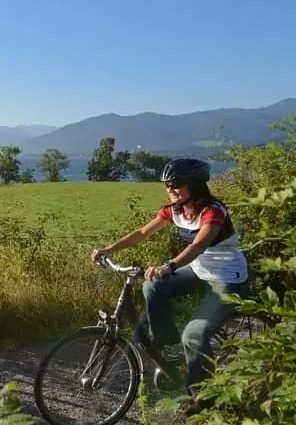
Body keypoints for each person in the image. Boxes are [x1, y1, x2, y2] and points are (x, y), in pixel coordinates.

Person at [90, 158, 251, 406]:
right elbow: (143, 233)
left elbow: (199, 245)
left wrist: (169, 266)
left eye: (176, 184)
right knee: (152, 286)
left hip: (227, 277)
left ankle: (200, 399)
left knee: (194, 334)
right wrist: (109, 249)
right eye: (167, 185)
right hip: (198, 271)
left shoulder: (213, 211)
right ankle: (171, 347)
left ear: (194, 185)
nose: (170, 190)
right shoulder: (175, 210)